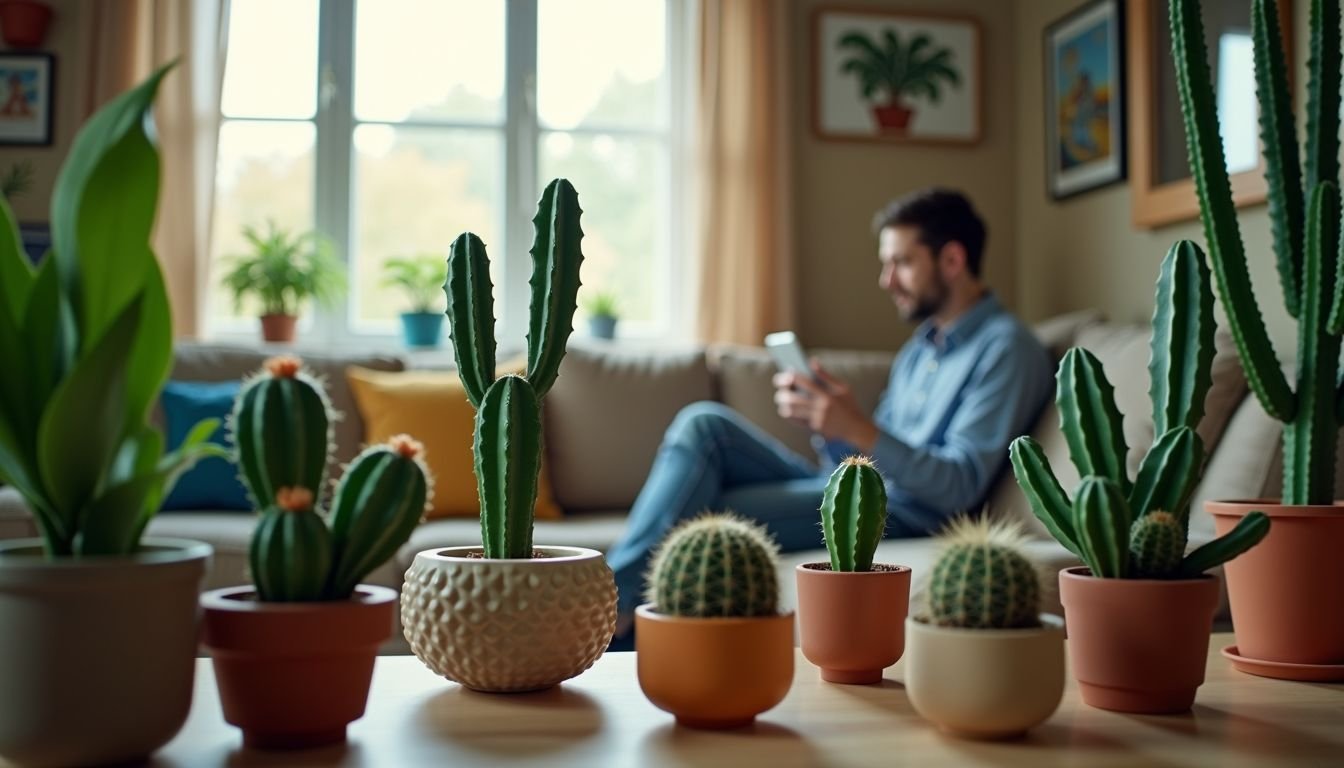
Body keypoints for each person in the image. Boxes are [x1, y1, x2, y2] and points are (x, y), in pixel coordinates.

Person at [604, 188, 1054, 646]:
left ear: (952, 261)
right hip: (852, 488)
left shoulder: (1006, 349)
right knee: (705, 424)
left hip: (899, 513)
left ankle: (606, 616)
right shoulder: (921, 350)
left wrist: (857, 428)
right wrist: (830, 421)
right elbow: (861, 456)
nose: (886, 279)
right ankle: (610, 602)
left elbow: (958, 485)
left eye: (901, 262)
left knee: (708, 516)